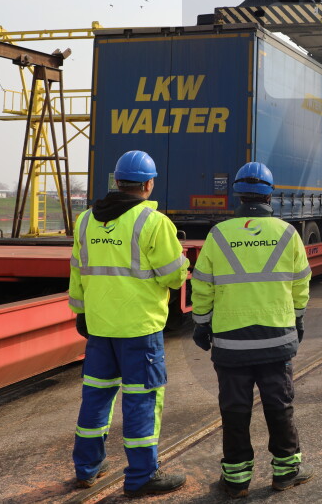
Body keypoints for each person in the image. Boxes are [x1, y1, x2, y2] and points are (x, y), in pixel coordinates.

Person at [68, 150, 189, 498]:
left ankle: (86, 468)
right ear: (148, 184)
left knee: (95, 397)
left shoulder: (86, 221)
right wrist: (182, 263)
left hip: (99, 327)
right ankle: (142, 476)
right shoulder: (153, 223)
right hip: (139, 329)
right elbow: (173, 278)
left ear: (117, 181)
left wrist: (81, 312)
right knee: (141, 400)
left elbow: (78, 271)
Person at [191, 161, 312, 498]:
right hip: (276, 339)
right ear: (269, 195)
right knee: (279, 404)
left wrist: (202, 324)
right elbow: (301, 283)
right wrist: (298, 318)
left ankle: (236, 478)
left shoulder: (218, 235)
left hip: (231, 344)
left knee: (234, 408)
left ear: (238, 195)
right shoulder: (288, 234)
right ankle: (287, 472)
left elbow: (202, 286)